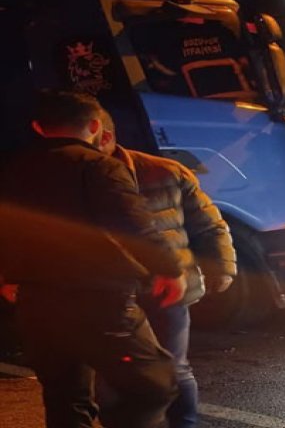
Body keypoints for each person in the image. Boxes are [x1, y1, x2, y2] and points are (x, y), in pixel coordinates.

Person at [0, 89, 185, 428]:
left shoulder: (13, 170)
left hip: (36, 304)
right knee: (155, 384)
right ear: (96, 125)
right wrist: (169, 269)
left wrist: (7, 276)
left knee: (66, 398)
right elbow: (132, 225)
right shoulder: (99, 167)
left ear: (38, 127)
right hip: (99, 302)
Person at [98, 113, 237, 428]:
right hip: (110, 292)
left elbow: (209, 224)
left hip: (166, 289)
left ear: (104, 136)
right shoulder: (83, 176)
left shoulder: (165, 171)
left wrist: (222, 268)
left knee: (173, 367)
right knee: (110, 371)